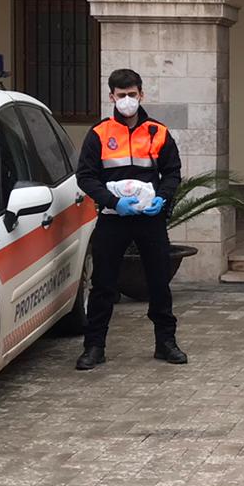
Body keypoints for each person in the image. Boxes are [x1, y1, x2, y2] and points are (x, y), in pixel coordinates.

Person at [74, 68, 186, 371]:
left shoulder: (158, 131)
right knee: (103, 284)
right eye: (121, 95)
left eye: (132, 95)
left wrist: (162, 198)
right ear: (111, 96)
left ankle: (166, 343)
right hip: (114, 217)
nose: (127, 100)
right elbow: (85, 177)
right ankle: (94, 347)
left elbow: (172, 171)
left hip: (150, 219)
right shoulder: (99, 133)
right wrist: (113, 202)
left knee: (159, 281)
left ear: (141, 95)